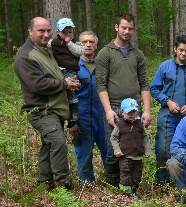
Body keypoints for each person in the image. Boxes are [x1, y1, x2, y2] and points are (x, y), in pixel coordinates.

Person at [14, 17, 80, 190]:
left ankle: (45, 183)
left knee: (48, 145)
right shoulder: (25, 56)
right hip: (41, 110)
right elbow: (37, 85)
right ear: (30, 31)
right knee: (58, 141)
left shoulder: (46, 50)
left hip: (54, 109)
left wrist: (69, 80)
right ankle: (64, 185)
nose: (46, 34)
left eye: (48, 30)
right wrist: (65, 84)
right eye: (41, 31)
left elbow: (55, 72)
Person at [96, 12, 152, 187]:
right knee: (114, 147)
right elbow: (101, 85)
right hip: (114, 107)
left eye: (130, 28)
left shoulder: (138, 54)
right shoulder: (105, 53)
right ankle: (113, 181)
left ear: (134, 30)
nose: (127, 31)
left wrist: (147, 111)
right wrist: (108, 110)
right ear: (117, 27)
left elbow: (144, 83)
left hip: (135, 107)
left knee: (134, 147)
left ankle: (131, 182)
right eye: (124, 28)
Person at [150, 35, 186, 184]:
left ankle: (185, 180)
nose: (183, 53)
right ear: (175, 49)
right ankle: (162, 181)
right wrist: (167, 101)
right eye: (181, 50)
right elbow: (154, 89)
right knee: (163, 148)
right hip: (168, 115)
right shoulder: (164, 67)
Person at [68, 31, 107, 188]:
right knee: (84, 152)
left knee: (109, 150)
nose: (88, 45)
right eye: (84, 42)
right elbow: (68, 95)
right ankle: (86, 184)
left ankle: (112, 180)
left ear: (96, 45)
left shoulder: (103, 66)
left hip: (103, 115)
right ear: (79, 45)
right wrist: (72, 121)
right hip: (82, 116)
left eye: (91, 42)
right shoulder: (73, 66)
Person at [110, 98, 151, 196]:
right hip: (125, 156)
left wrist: (147, 150)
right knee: (125, 174)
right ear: (122, 112)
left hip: (138, 156)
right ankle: (126, 194)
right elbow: (113, 138)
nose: (131, 114)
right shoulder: (120, 125)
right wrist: (117, 150)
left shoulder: (140, 125)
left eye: (133, 111)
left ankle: (134, 192)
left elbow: (145, 137)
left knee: (137, 176)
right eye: (129, 112)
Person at [49, 18, 84, 127]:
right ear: (57, 32)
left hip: (70, 69)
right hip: (57, 70)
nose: (67, 35)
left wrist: (69, 43)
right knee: (59, 89)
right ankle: (58, 112)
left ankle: (74, 114)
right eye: (64, 32)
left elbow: (79, 52)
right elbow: (45, 48)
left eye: (70, 32)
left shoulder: (76, 42)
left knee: (72, 90)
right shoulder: (54, 42)